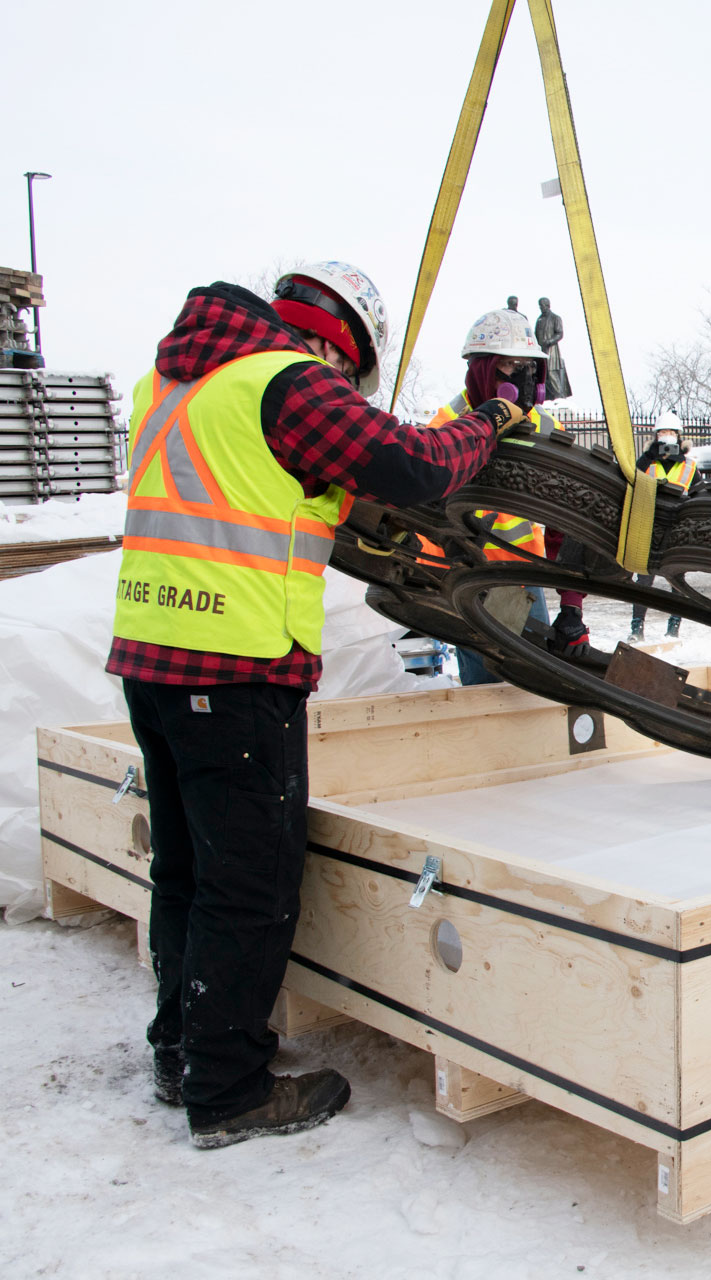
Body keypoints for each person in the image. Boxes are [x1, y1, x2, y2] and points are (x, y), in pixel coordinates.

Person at [108, 263, 524, 1148]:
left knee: (185, 870)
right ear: (342, 343)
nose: (342, 389)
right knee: (249, 886)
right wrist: (488, 419)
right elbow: (415, 466)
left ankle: (180, 1052)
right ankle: (227, 1091)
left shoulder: (174, 380)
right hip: (234, 670)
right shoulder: (283, 381)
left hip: (154, 661)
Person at [425, 308, 563, 682]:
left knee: (537, 687)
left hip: (523, 578)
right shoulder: (445, 430)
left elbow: (566, 524)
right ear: (483, 369)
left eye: (528, 365)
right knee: (486, 689)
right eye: (509, 365)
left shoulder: (545, 429)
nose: (521, 375)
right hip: (469, 580)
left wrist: (573, 605)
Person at [628, 411, 697, 640]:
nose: (666, 437)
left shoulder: (690, 466)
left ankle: (673, 628)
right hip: (649, 526)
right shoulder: (646, 462)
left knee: (677, 579)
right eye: (662, 432)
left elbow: (699, 494)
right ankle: (637, 629)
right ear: (656, 436)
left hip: (678, 529)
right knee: (644, 580)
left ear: (679, 436)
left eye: (670, 433)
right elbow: (631, 485)